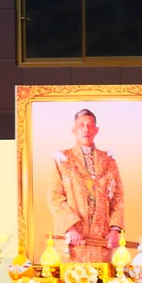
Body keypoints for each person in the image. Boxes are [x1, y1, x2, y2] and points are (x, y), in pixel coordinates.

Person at [51, 107, 126, 262]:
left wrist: (115, 229)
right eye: (81, 125)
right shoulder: (63, 159)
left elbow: (118, 197)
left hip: (102, 238)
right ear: (74, 130)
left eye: (90, 125)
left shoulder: (108, 161)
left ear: (96, 130)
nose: (86, 129)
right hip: (73, 238)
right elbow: (55, 196)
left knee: (101, 282)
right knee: (73, 282)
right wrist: (69, 227)